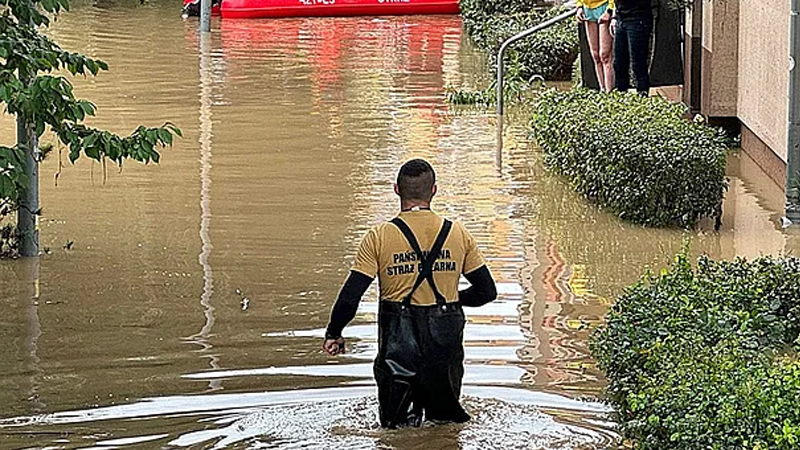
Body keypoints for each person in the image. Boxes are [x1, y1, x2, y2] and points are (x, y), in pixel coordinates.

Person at [323, 158, 497, 428]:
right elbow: (487, 292)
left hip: (398, 345)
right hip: (444, 342)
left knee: (397, 430)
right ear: (434, 190)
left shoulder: (378, 237)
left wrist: (334, 332)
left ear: (396, 189)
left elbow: (351, 296)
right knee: (446, 427)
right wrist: (451, 297)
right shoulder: (458, 234)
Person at [611, 0, 653, 96]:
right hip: (620, 18)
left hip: (638, 18)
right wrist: (614, 17)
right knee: (619, 62)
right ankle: (621, 94)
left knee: (638, 62)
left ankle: (642, 93)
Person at [576, 0, 615, 92]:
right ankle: (602, 89)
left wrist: (610, 9)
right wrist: (579, 7)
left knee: (605, 55)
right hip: (587, 9)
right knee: (595, 55)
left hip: (604, 6)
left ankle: (610, 92)